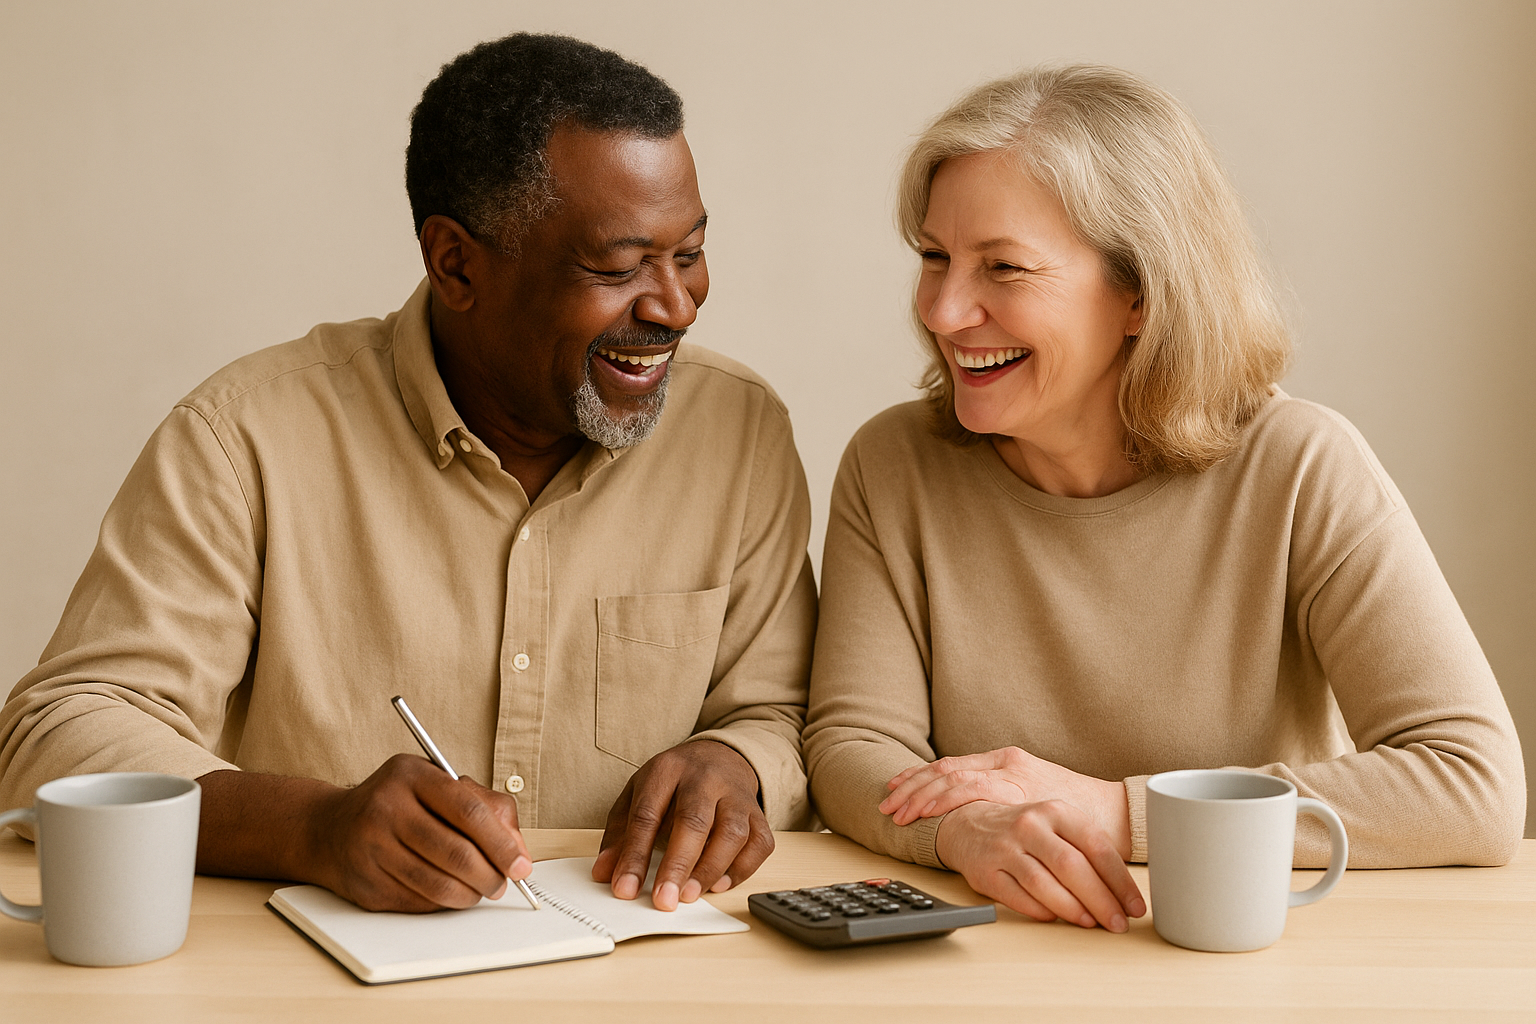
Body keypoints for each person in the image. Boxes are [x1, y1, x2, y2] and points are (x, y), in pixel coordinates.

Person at [0, 33, 817, 914]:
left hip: (642, 963)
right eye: (617, 268)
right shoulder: (246, 438)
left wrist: (734, 762)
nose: (676, 306)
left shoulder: (737, 432)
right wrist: (311, 828)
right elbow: (60, 733)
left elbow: (784, 714)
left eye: (689, 253)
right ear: (456, 263)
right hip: (311, 969)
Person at [802, 63, 1525, 935]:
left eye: (1005, 268)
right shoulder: (893, 465)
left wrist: (1114, 811)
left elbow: (1472, 785)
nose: (946, 310)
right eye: (934, 257)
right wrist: (963, 828)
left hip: (1247, 958)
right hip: (998, 955)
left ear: (1142, 295)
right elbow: (851, 747)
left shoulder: (1300, 466)